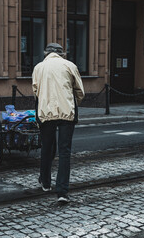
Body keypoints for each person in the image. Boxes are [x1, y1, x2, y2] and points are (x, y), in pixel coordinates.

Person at [32, 43, 85, 203]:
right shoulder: (70, 66)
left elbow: (36, 91)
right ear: (62, 54)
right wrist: (71, 101)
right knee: (64, 152)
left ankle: (46, 183)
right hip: (66, 113)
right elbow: (80, 91)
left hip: (46, 113)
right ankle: (62, 192)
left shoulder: (39, 68)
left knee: (46, 148)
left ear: (46, 53)